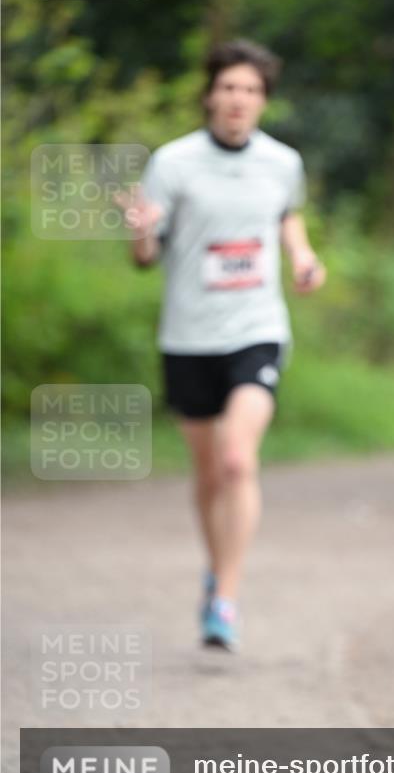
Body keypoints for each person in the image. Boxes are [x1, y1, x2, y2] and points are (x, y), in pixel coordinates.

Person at [117, 39, 326, 651]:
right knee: (209, 474)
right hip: (188, 336)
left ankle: (226, 600)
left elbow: (288, 216)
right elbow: (147, 253)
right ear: (210, 94)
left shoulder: (281, 162)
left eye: (251, 90)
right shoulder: (174, 162)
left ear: (263, 101)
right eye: (229, 88)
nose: (239, 99)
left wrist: (303, 256)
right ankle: (216, 573)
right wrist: (137, 237)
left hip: (256, 329)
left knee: (238, 459)